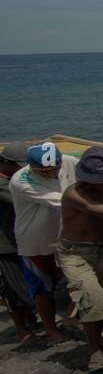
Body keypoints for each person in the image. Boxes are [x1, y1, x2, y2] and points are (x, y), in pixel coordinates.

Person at [55, 148, 103, 373]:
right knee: (92, 299)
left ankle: (96, 336)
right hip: (76, 252)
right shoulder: (74, 194)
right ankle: (94, 350)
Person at [9, 143, 78, 343]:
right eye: (44, 171)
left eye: (55, 168)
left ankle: (72, 316)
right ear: (31, 167)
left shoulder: (70, 162)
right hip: (36, 241)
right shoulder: (21, 181)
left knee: (77, 277)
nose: (52, 173)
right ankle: (51, 330)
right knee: (42, 288)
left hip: (65, 234)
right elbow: (67, 201)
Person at [0, 143, 38, 344]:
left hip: (20, 238)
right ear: (6, 163)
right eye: (19, 166)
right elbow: (22, 198)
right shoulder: (5, 184)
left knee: (25, 282)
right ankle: (21, 329)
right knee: (12, 288)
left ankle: (29, 318)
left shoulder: (14, 179)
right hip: (5, 244)